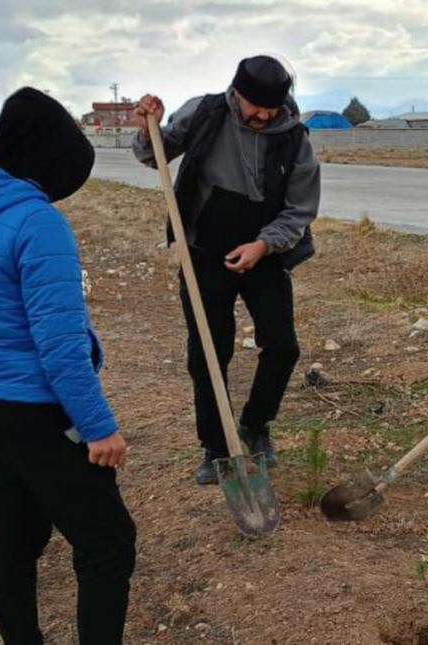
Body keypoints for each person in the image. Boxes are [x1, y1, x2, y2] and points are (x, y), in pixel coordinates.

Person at [0, 87, 136, 644]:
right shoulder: (37, 222)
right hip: (40, 409)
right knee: (107, 540)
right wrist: (98, 427)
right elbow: (61, 345)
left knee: (15, 537)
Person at [131, 55, 321, 484]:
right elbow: (154, 154)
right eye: (256, 107)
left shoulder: (294, 137)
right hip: (203, 251)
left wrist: (263, 245)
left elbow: (301, 209)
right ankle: (216, 447)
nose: (264, 116)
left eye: (272, 108)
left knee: (282, 345)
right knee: (209, 352)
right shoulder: (204, 113)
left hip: (264, 252)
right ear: (237, 92)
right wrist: (148, 128)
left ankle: (255, 425)